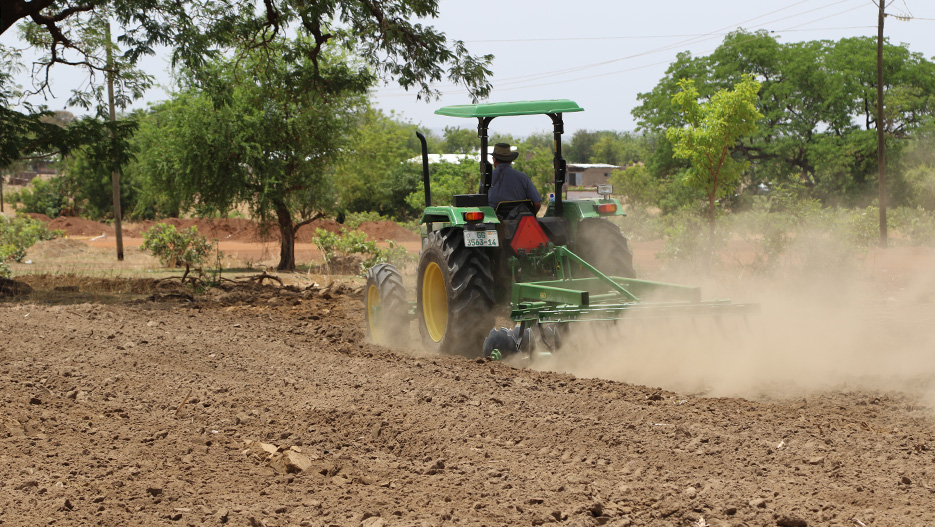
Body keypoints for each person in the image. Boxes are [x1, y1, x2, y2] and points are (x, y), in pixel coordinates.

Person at [483, 143, 542, 214]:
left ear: (494, 160)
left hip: (494, 220)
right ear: (510, 160)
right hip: (518, 221)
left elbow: (480, 199)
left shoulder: (486, 177)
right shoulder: (523, 178)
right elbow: (537, 204)